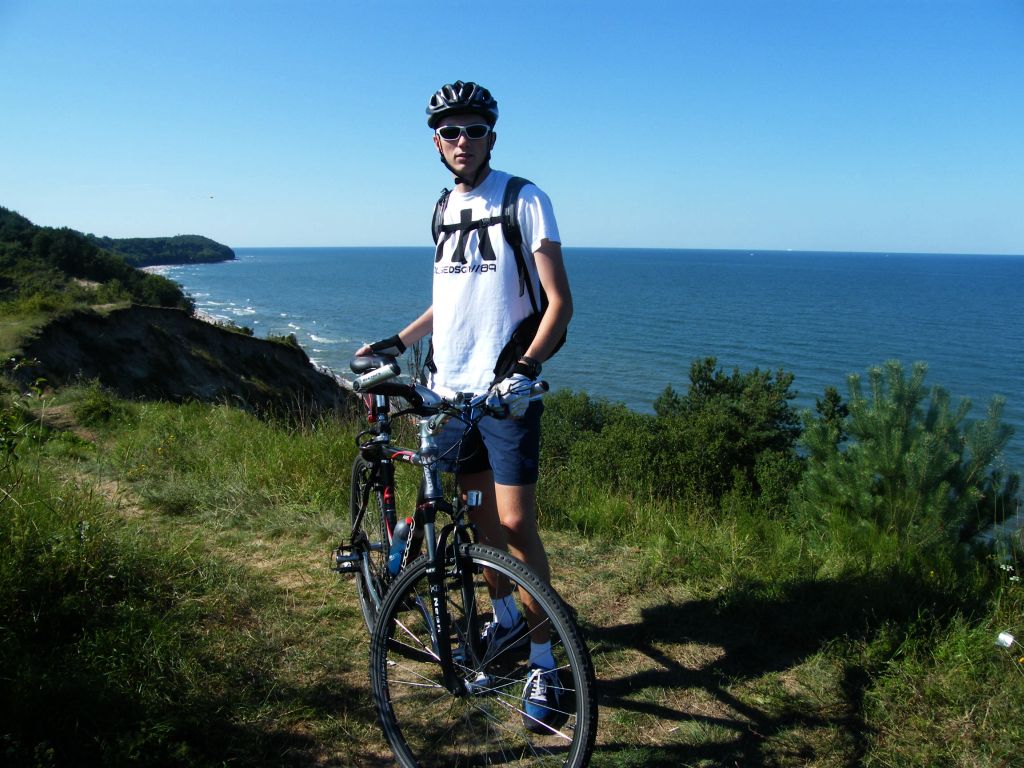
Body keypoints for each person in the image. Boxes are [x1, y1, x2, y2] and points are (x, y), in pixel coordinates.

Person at [357, 80, 573, 731]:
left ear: (491, 137)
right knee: (478, 522)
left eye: (474, 130)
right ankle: (504, 620)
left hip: (504, 396)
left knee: (514, 525)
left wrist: (526, 369)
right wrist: (399, 341)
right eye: (450, 131)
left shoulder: (523, 199)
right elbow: (449, 302)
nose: (462, 140)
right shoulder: (442, 208)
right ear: (436, 142)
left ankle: (545, 662)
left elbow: (559, 304)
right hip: (450, 394)